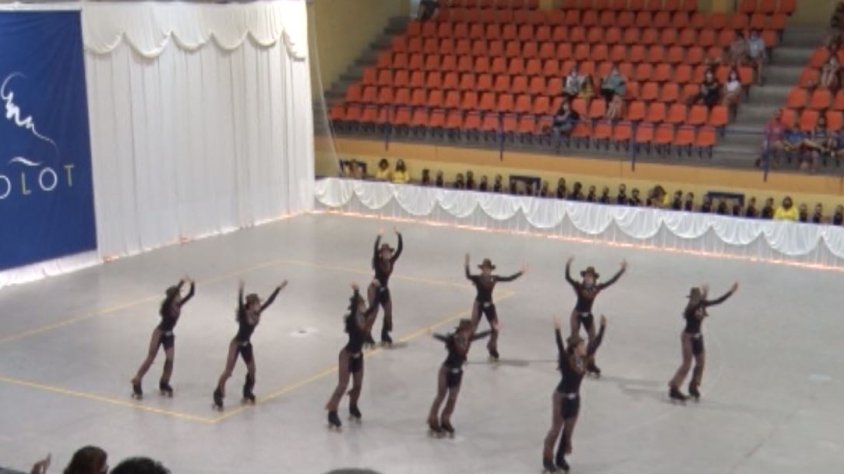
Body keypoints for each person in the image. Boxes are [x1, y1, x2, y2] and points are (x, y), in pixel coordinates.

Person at [542, 315, 606, 473]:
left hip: (575, 399)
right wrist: (557, 330)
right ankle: (547, 460)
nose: (585, 347)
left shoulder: (584, 358)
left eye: (584, 344)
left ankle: (560, 458)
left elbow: (596, 343)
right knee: (556, 430)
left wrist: (603, 327)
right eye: (582, 345)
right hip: (561, 398)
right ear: (575, 348)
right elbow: (559, 346)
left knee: (568, 432)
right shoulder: (566, 359)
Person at [213, 280, 287, 410]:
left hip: (247, 345)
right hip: (236, 344)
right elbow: (240, 304)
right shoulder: (244, 315)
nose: (259, 305)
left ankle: (247, 391)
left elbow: (269, 302)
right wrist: (241, 291)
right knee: (228, 371)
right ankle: (218, 393)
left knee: (252, 371)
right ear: (251, 305)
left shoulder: (257, 312)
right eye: (257, 303)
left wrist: (278, 288)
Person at [668, 282, 738, 401]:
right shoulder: (690, 309)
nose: (694, 300)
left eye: (696, 298)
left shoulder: (702, 304)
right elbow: (692, 311)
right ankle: (674, 388)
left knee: (701, 362)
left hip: (698, 337)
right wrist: (703, 298)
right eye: (693, 298)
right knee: (687, 364)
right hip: (688, 337)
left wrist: (730, 292)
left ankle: (694, 386)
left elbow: (718, 301)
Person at [427, 318, 493, 437]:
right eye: (469, 330)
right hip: (445, 371)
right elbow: (443, 338)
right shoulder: (453, 338)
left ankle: (445, 420)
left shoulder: (468, 338)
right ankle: (432, 419)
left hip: (457, 373)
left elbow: (480, 336)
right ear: (463, 330)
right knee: (441, 396)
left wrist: (492, 330)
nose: (471, 332)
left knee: (452, 398)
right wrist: (433, 334)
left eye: (471, 330)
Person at [131, 279, 196, 399]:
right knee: (151, 357)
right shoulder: (166, 306)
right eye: (178, 295)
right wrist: (181, 283)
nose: (180, 297)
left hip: (169, 334)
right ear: (173, 296)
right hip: (159, 333)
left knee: (170, 359)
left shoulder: (178, 305)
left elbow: (191, 294)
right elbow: (170, 298)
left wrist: (192, 284)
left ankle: (164, 382)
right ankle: (137, 379)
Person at [564, 257, 626, 376]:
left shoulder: (596, 289)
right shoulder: (579, 287)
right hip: (576, 315)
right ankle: (566, 360)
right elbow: (567, 278)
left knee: (593, 339)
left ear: (594, 279)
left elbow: (611, 281)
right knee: (575, 338)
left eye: (590, 277)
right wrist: (568, 264)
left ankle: (590, 363)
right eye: (586, 276)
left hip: (588, 316)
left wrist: (621, 270)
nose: (588, 278)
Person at [326, 284, 376, 429]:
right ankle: (332, 412)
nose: (364, 306)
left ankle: (353, 406)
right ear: (357, 306)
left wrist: (378, 290)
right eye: (362, 304)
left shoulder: (364, 318)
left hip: (358, 356)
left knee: (358, 385)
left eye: (364, 304)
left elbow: (374, 307)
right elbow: (354, 309)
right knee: (343, 384)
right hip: (346, 356)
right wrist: (356, 292)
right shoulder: (354, 320)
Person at [465, 254, 526, 360]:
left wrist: (520, 272)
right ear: (482, 269)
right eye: (484, 269)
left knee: (495, 328)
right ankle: (463, 351)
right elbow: (468, 276)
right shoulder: (478, 279)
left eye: (488, 269)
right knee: (473, 328)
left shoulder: (494, 278)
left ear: (491, 270)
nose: (486, 271)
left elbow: (508, 279)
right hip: (478, 305)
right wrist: (466, 264)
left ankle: (492, 348)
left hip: (489, 305)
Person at [364, 227, 403, 346]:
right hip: (374, 290)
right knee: (374, 312)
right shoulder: (377, 261)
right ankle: (366, 334)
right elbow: (374, 249)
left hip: (384, 290)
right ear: (381, 254)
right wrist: (379, 236)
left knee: (388, 312)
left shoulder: (392, 261)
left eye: (388, 252)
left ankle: (385, 334)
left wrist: (399, 234)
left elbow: (400, 249)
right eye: (384, 252)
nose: (387, 254)